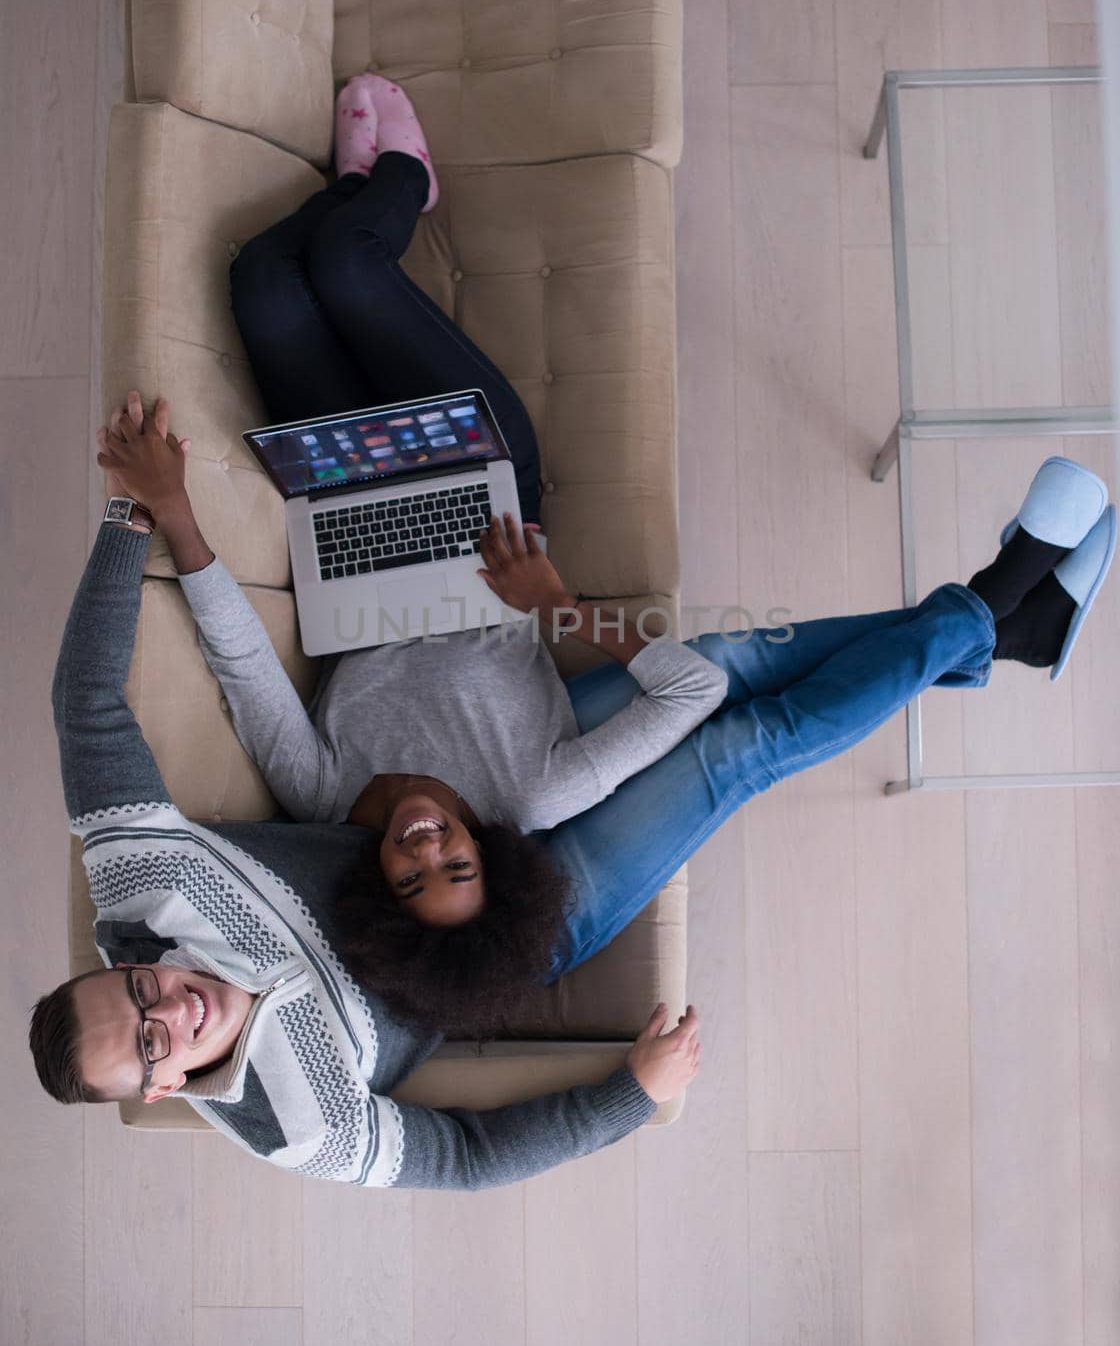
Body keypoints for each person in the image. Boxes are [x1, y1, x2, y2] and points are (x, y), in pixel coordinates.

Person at [29, 78, 1116, 1192]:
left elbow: (149, 694)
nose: (172, 1004)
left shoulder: (165, 880)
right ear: (160, 1091)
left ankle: (1007, 633)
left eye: (140, 993)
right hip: (518, 893)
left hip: (399, 583)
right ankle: (995, 600)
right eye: (155, 1041)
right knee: (740, 738)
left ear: (122, 965)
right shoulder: (301, 1118)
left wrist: (153, 515)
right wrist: (627, 1097)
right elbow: (460, 1161)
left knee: (269, 283)